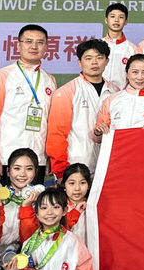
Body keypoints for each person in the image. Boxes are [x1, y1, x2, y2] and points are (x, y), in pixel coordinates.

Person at [0, 24, 57, 185]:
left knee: (34, 208)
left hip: (38, 160)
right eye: (28, 41)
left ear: (46, 46)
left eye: (40, 42)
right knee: (2, 208)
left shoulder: (49, 80)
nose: (34, 46)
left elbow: (51, 123)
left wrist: (50, 155)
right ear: (18, 45)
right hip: (6, 158)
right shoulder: (1, 76)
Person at [47, 39, 118, 179]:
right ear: (79, 62)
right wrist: (61, 170)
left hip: (107, 168)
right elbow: (57, 134)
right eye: (88, 58)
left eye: (99, 58)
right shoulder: (67, 92)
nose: (94, 62)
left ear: (107, 61)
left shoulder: (116, 92)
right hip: (74, 167)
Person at [93, 54, 144, 142]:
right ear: (127, 74)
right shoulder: (111, 100)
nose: (140, 77)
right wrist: (98, 131)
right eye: (135, 72)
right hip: (117, 153)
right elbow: (98, 139)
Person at [101, 3, 138, 91]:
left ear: (126, 22)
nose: (116, 20)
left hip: (121, 98)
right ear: (106, 20)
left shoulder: (133, 49)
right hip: (97, 95)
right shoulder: (97, 47)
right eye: (112, 16)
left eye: (121, 17)